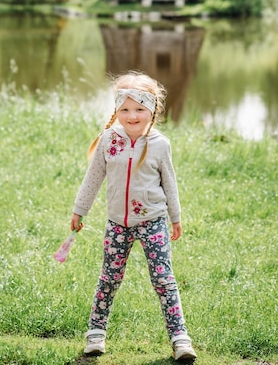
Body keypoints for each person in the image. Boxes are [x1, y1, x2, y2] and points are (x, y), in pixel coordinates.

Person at [70, 70, 197, 362]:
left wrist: (175, 218)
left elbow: (170, 182)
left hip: (153, 222)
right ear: (116, 109)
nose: (132, 116)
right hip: (117, 224)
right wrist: (80, 209)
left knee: (163, 279)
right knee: (110, 278)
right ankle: (96, 333)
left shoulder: (160, 144)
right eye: (125, 109)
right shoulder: (108, 141)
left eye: (139, 109)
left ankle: (180, 339)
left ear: (151, 110)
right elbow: (93, 178)